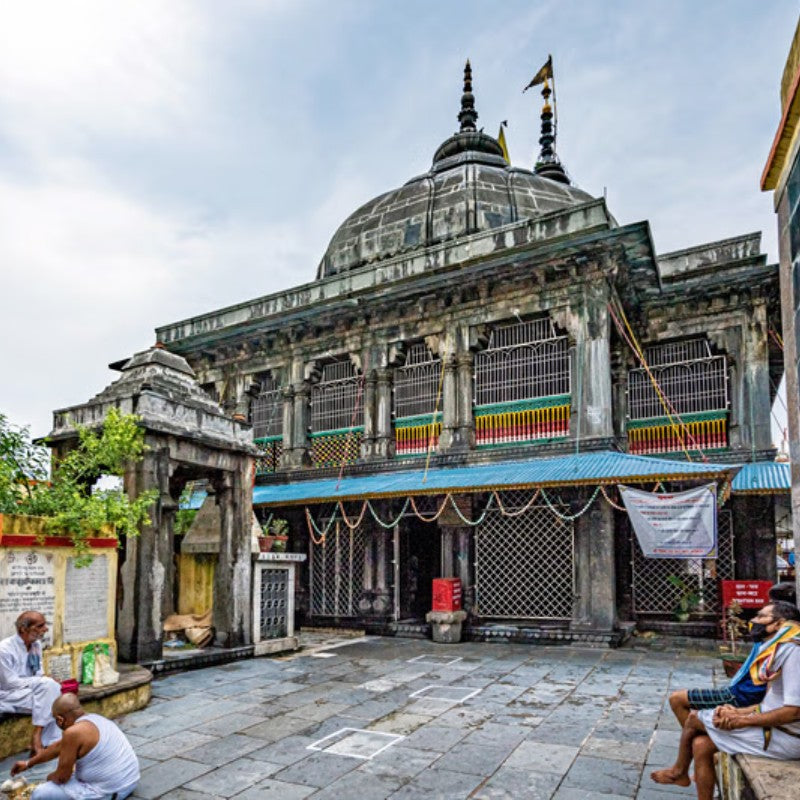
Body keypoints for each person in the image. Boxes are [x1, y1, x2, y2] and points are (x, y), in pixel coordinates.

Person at [651, 600, 800, 800]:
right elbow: (772, 702)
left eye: (760, 617)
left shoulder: (794, 651)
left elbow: (794, 711)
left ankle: (679, 770)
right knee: (701, 745)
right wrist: (738, 712)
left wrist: (741, 721)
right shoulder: (776, 647)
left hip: (785, 737)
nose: (754, 621)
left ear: (778, 624)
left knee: (695, 718)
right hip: (770, 726)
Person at [667, 582, 798, 725]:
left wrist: (742, 716)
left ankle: (702, 732)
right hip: (742, 689)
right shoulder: (769, 639)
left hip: (745, 694)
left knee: (677, 699)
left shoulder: (785, 645)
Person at [11, 694, 139, 800]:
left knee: (40, 793)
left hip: (110, 792)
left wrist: (49, 778)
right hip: (131, 782)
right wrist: (28, 763)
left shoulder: (72, 732)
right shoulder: (95, 719)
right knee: (72, 775)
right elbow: (57, 747)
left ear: (60, 720)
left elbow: (61, 777)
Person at [0, 611, 62, 754]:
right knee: (51, 694)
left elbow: (38, 673)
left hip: (28, 692)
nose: (45, 629)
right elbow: (9, 683)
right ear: (24, 629)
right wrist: (42, 681)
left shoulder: (36, 645)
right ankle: (40, 737)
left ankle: (44, 741)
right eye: (40, 626)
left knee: (54, 693)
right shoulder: (4, 649)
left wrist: (45, 679)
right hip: (7, 694)